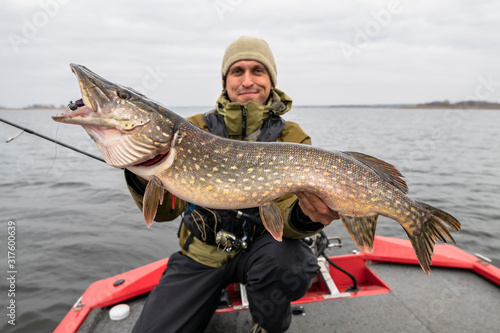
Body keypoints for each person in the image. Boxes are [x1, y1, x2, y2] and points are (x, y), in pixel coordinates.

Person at [125, 36, 339, 333]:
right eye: (237, 71)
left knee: (291, 262)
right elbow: (163, 213)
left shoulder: (291, 135)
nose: (247, 81)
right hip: (201, 253)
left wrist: (304, 216)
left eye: (258, 71)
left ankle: (268, 326)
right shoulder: (193, 128)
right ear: (225, 81)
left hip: (265, 252)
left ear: (271, 81)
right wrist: (142, 172)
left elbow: (287, 215)